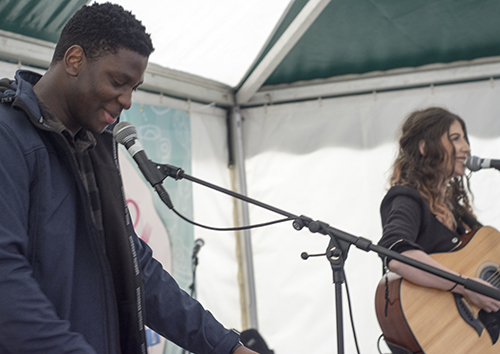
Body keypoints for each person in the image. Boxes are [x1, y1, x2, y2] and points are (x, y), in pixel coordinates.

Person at [0, 3, 259, 354]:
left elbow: (141, 273)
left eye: (134, 86)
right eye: (119, 82)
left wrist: (227, 347)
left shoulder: (89, 149)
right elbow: (6, 282)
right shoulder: (9, 136)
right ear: (75, 60)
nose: (127, 100)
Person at [377, 107, 500, 312]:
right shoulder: (407, 198)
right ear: (425, 147)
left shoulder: (453, 207)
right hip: (433, 323)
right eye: (455, 138)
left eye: (464, 138)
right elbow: (397, 255)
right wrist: (466, 286)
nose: (466, 148)